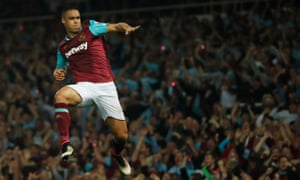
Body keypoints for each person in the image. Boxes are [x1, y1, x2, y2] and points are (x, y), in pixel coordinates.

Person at [53, 5, 140, 176]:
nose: (76, 21)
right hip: (84, 87)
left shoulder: (90, 27)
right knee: (60, 95)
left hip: (105, 86)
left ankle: (116, 154)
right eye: (72, 18)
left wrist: (124, 27)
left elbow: (114, 26)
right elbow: (60, 70)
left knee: (122, 136)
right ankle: (65, 144)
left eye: (78, 17)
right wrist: (58, 73)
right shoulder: (62, 47)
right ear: (63, 21)